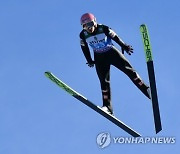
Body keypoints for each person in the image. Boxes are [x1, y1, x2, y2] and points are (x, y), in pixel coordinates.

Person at [79, 13, 150, 115]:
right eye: (85, 26)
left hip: (112, 53)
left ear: (95, 21)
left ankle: (146, 90)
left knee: (130, 72)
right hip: (99, 58)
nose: (89, 28)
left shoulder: (103, 28)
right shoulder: (82, 35)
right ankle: (107, 107)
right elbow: (84, 47)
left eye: (90, 24)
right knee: (104, 82)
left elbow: (115, 36)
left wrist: (124, 45)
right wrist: (89, 60)